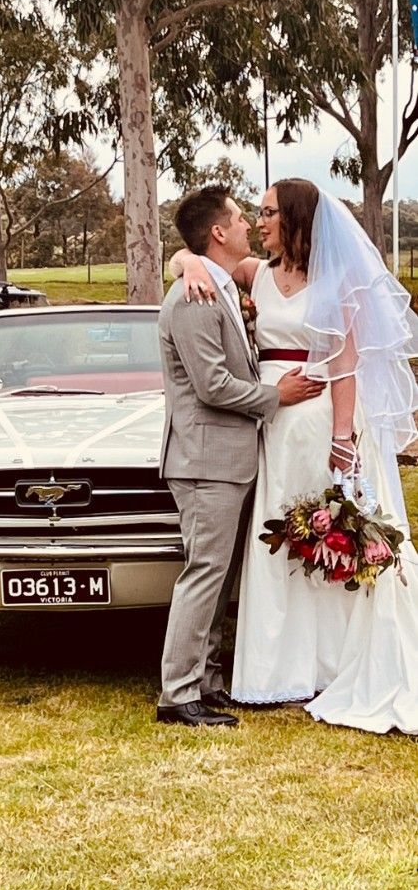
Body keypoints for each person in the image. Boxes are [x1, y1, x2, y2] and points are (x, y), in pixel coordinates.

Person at [175, 178, 418, 735]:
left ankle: (330, 664)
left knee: (325, 529)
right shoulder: (256, 273)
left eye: (268, 213)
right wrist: (187, 264)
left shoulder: (338, 278)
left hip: (315, 416)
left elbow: (348, 363)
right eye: (254, 214)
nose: (258, 223)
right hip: (268, 420)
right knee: (275, 534)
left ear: (297, 219)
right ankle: (274, 669)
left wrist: (342, 438)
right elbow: (191, 253)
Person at [157, 184, 325, 727]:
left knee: (222, 576)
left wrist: (184, 259)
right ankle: (177, 694)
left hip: (229, 459)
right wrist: (277, 397)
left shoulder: (223, 285)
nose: (250, 224)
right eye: (239, 217)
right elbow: (211, 385)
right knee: (204, 573)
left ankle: (206, 682)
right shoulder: (192, 295)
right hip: (205, 461)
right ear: (218, 232)